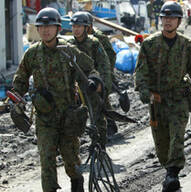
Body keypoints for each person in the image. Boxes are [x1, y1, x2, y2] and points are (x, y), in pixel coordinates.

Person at [12, 7, 101, 192]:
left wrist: (93, 81)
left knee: (71, 161)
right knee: (47, 161)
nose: (45, 30)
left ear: (58, 28)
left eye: (49, 26)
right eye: (41, 27)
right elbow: (21, 79)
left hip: (68, 117)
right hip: (44, 119)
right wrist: (17, 97)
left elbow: (89, 68)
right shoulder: (32, 53)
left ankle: (77, 185)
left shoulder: (68, 51)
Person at [134, 2, 191, 191]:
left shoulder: (186, 45)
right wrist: (145, 93)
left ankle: (172, 174)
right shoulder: (149, 44)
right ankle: (169, 170)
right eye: (165, 18)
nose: (168, 21)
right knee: (161, 144)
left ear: (179, 21)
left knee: (177, 137)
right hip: (157, 102)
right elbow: (141, 74)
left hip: (179, 99)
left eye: (172, 18)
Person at [68, 11, 112, 146]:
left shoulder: (94, 43)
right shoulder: (68, 44)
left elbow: (104, 65)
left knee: (97, 116)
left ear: (86, 28)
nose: (76, 29)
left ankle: (100, 144)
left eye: (79, 26)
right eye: (74, 26)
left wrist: (103, 87)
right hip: (75, 86)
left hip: (92, 83)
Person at [86, 12, 119, 136]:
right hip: (88, 73)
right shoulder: (79, 39)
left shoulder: (99, 37)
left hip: (101, 71)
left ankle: (110, 124)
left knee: (103, 99)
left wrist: (106, 72)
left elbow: (111, 54)